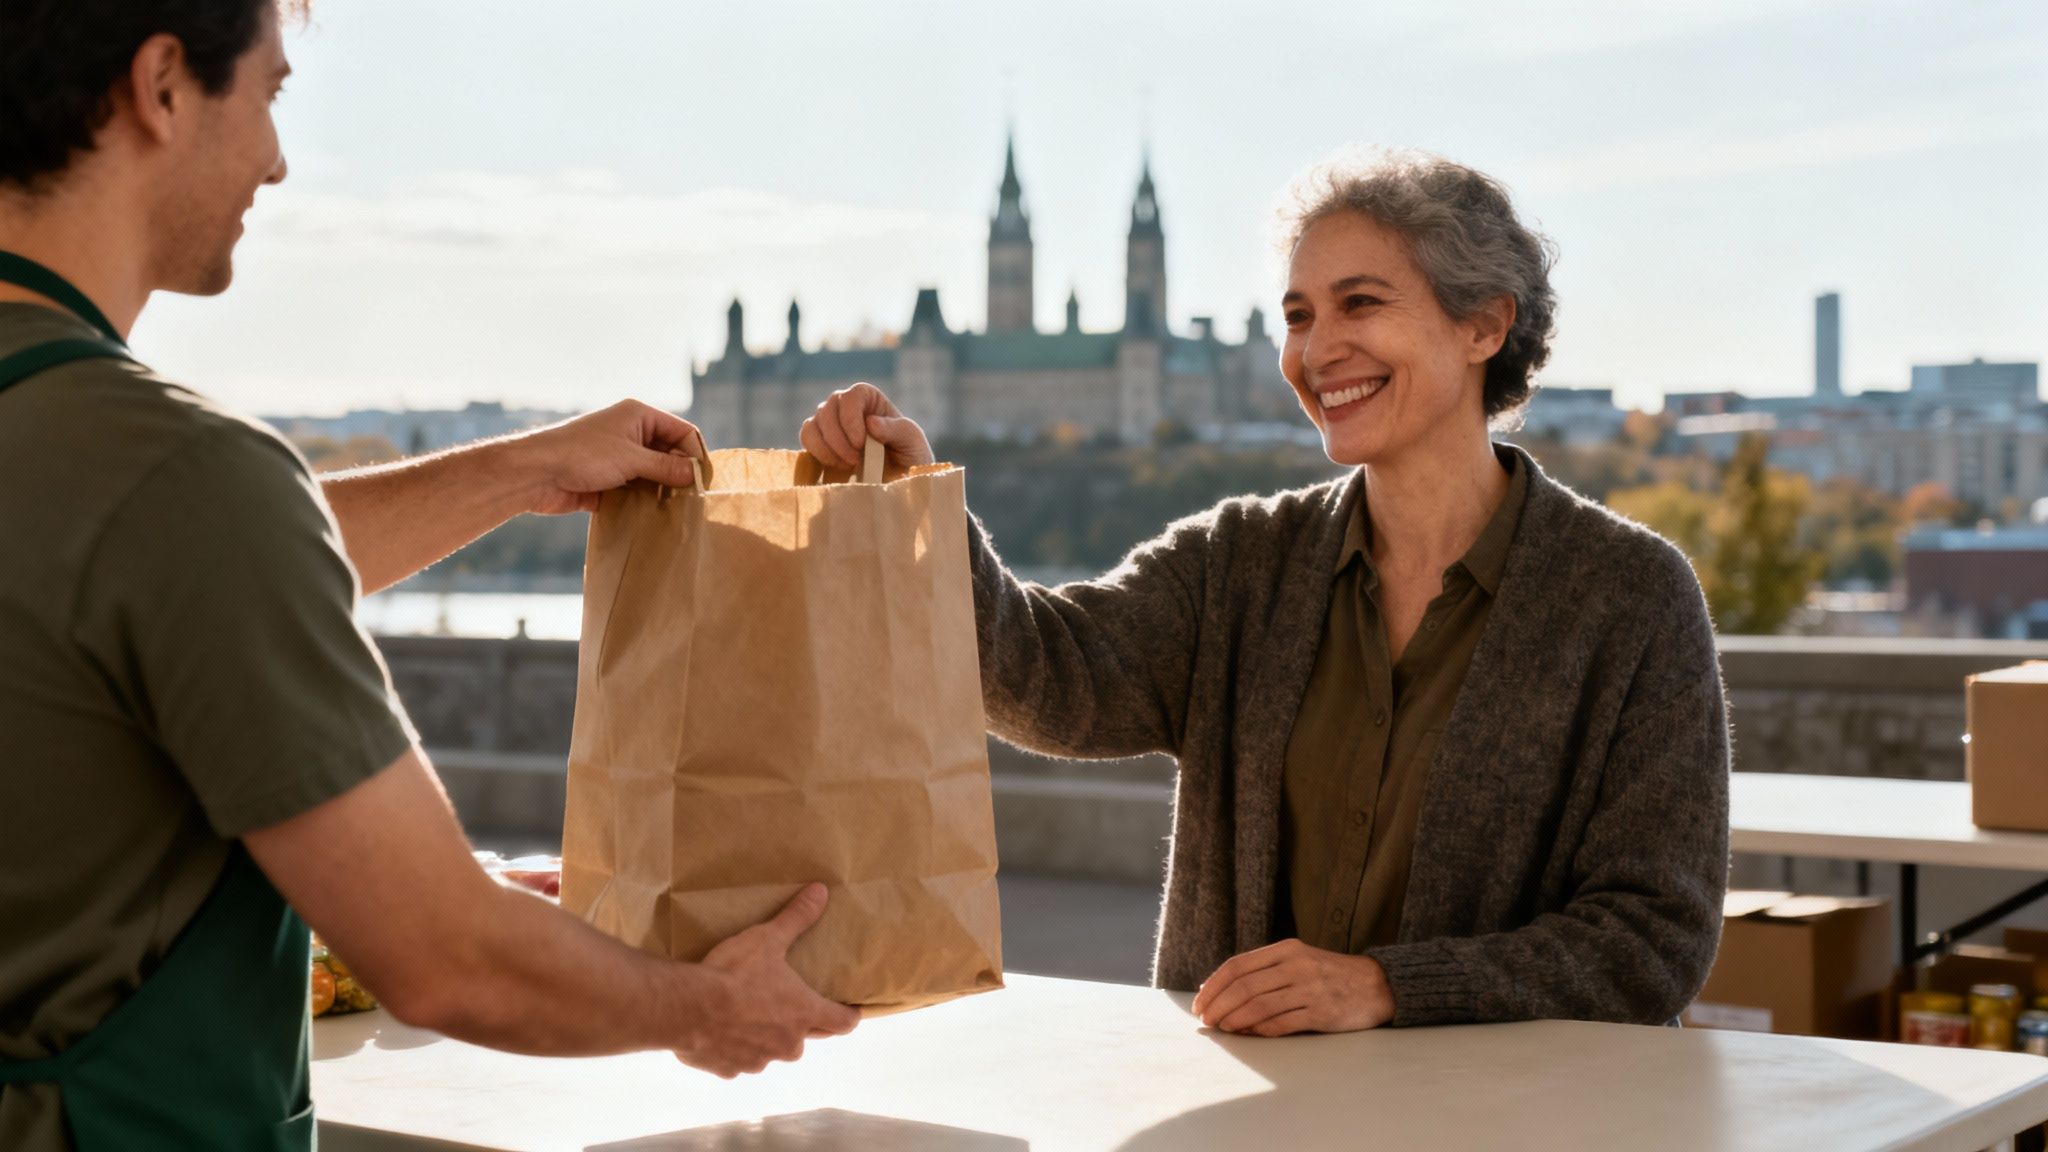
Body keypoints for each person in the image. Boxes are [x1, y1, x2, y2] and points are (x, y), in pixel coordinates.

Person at [0, 3, 855, 1148]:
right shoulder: (177, 479)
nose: (276, 157)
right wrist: (712, 1008)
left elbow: (183, 569)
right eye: (269, 94)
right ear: (160, 87)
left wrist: (523, 467)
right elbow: (447, 959)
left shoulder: (100, 468)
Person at [805, 149, 1730, 1037]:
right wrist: (916, 511)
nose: (1316, 350)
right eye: (1297, 317)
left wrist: (1386, 988)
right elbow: (1051, 679)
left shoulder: (1632, 598)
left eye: (1358, 305)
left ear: (1485, 325)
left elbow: (1653, 941)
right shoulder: (1238, 563)